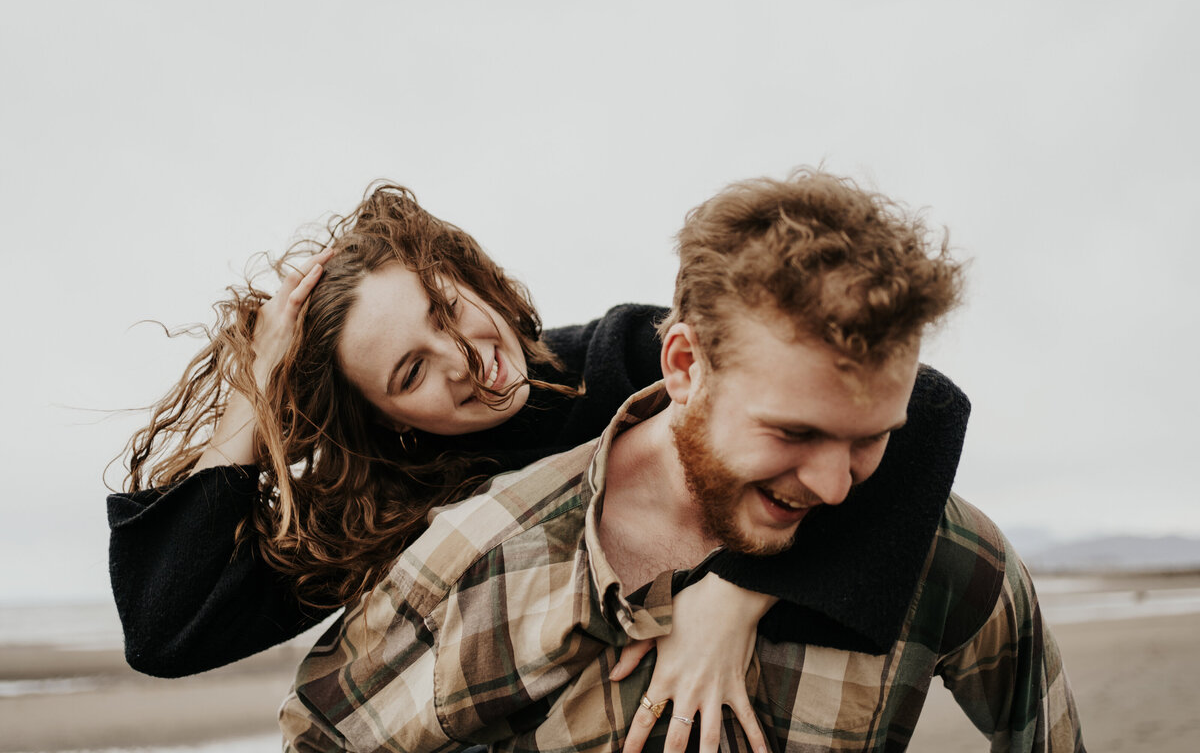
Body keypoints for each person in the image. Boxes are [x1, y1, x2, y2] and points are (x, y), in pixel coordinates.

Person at [110, 182, 967, 751]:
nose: (462, 358)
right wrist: (252, 404)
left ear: (472, 275)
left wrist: (736, 594)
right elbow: (166, 631)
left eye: (448, 309)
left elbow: (922, 404)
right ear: (382, 419)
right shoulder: (390, 499)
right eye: (409, 371)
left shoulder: (619, 358)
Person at [280, 169, 1085, 753]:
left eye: (872, 437)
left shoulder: (949, 560)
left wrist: (744, 590)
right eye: (795, 433)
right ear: (684, 366)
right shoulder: (486, 551)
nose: (838, 486)